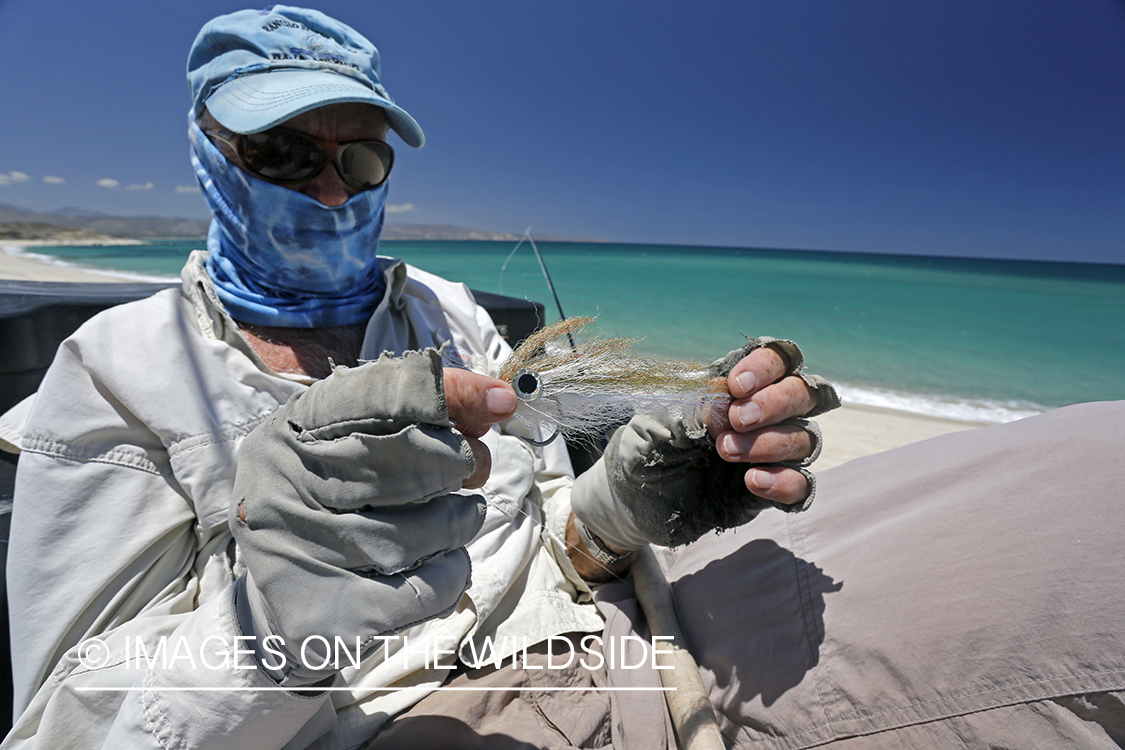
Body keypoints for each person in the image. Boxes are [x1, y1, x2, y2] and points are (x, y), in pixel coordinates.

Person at [3, 6, 1123, 750]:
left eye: (360, 159)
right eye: (287, 155)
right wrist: (272, 620)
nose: (333, 194)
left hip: (632, 619)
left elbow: (533, 532)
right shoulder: (114, 376)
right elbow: (60, 724)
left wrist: (619, 509)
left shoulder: (441, 310)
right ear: (207, 150)